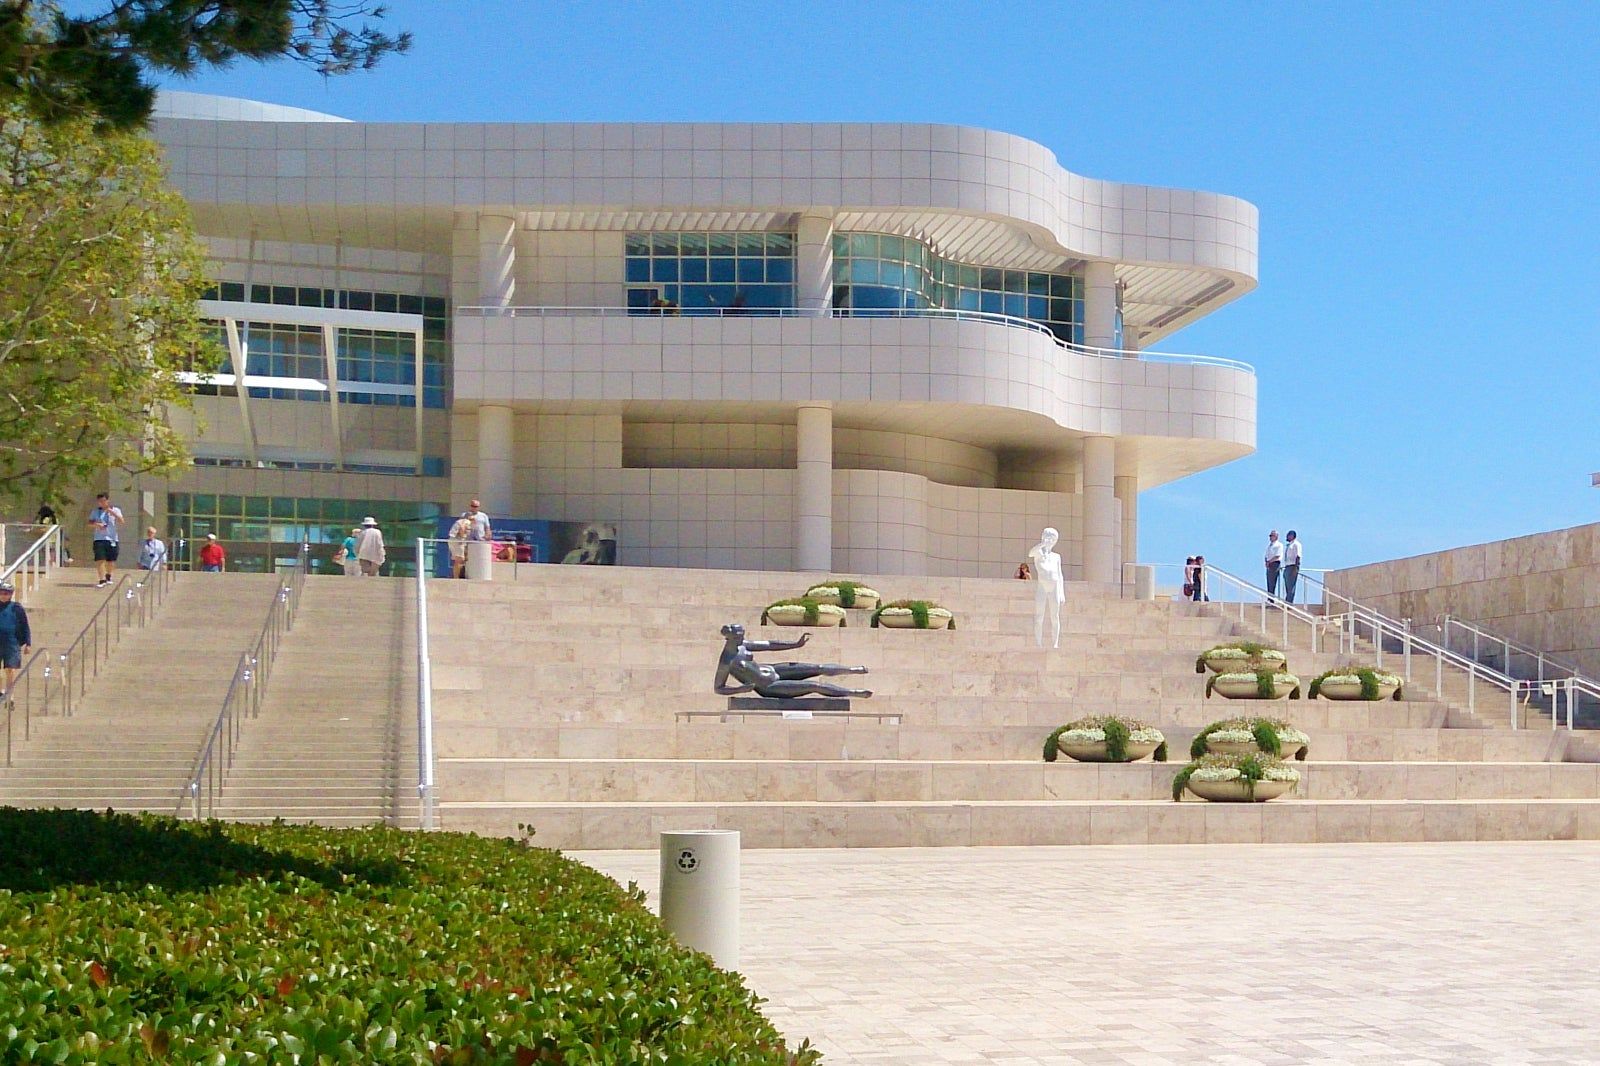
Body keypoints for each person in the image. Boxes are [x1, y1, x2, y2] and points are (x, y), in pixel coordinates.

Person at [713, 625, 871, 699]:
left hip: (773, 670)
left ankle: (852, 670)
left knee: (818, 667)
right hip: (768, 686)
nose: (742, 638)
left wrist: (795, 644)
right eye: (739, 636)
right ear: (730, 638)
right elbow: (718, 688)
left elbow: (770, 645)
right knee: (814, 685)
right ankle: (853, 692)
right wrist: (739, 690)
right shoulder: (726, 660)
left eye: (742, 635)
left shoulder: (743, 645)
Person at [1026, 526, 1065, 649]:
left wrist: (1062, 593)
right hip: (1042, 586)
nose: (1051, 541)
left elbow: (1059, 574)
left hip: (1054, 587)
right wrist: (1042, 544)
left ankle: (1055, 643)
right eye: (1049, 538)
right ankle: (1038, 642)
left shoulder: (1056, 556)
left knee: (1055, 616)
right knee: (1039, 615)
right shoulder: (1038, 553)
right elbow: (1030, 553)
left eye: (1053, 539)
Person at [0, 580, 32, 701]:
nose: (3, 595)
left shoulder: (16, 608)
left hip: (12, 641)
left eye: (6, 593)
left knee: (10, 668)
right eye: (1, 593)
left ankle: (10, 693)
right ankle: (0, 690)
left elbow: (25, 625)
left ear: (11, 594)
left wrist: (28, 643)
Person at [87, 492, 124, 587]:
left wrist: (112, 513)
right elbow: (89, 523)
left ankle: (109, 575)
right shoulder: (95, 511)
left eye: (103, 501)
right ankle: (102, 580)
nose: (101, 503)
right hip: (99, 538)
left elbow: (121, 521)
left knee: (111, 560)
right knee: (100, 559)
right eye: (99, 501)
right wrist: (96, 525)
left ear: (107, 500)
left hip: (112, 539)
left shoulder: (116, 510)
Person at [447, 512, 472, 578]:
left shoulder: (458, 522)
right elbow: (462, 529)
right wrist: (462, 537)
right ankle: (456, 577)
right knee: (459, 559)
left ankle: (456, 576)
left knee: (458, 559)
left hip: (452, 540)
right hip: (458, 541)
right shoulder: (466, 521)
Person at [1283, 531, 1303, 604]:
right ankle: (1287, 600)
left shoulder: (1296, 544)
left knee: (1291, 585)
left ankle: (1289, 602)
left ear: (1292, 536)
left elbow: (1298, 556)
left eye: (1288, 535)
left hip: (1293, 566)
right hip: (1287, 566)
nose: (1287, 537)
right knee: (1287, 585)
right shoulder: (1289, 545)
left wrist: (1296, 567)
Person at [1264, 530, 1283, 598]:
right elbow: (1266, 555)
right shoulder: (1269, 546)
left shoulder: (1279, 545)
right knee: (1269, 582)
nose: (1270, 537)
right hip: (1269, 564)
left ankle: (1271, 599)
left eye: (1272, 536)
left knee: (1272, 582)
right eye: (1270, 536)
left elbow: (1277, 555)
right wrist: (1266, 562)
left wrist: (1269, 561)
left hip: (1275, 563)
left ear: (1276, 536)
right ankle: (1269, 598)